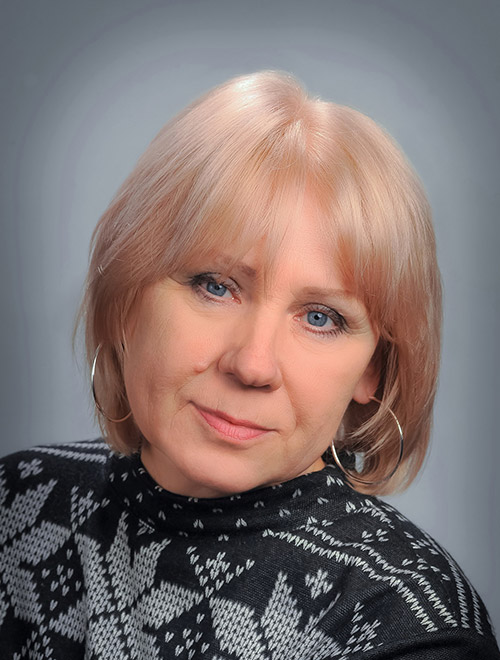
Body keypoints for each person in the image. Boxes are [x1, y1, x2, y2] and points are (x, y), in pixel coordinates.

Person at [0, 71, 498, 659]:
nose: (253, 365)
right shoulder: (18, 502)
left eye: (320, 318)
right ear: (127, 298)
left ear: (373, 370)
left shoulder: (409, 623)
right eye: (216, 286)